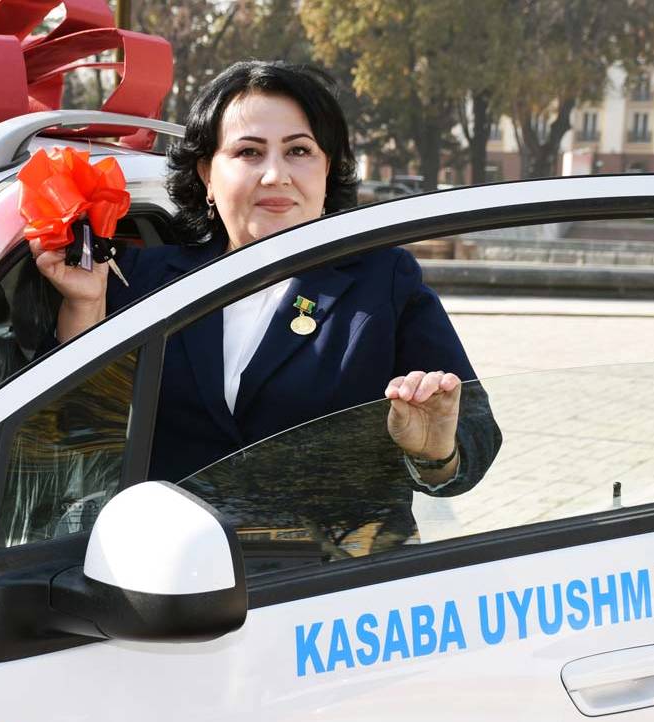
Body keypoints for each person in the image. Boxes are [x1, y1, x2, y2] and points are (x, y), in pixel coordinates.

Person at [30, 61, 500, 549]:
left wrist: (435, 453)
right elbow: (70, 439)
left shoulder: (383, 281)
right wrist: (84, 305)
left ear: (327, 169)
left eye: (299, 151)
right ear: (207, 174)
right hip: (166, 575)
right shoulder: (144, 280)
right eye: (249, 152)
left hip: (335, 582)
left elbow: (475, 436)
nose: (276, 175)